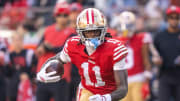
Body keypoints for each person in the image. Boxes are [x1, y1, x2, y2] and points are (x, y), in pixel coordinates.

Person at [37, 8, 128, 101]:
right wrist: (45, 68)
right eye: (88, 32)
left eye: (96, 31)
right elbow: (59, 59)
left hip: (111, 94)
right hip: (87, 90)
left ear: (103, 31)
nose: (92, 35)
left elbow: (123, 89)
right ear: (81, 32)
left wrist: (105, 98)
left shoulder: (115, 48)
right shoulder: (73, 45)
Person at [35, 1, 75, 101]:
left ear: (68, 16)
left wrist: (50, 48)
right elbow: (39, 47)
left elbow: (67, 51)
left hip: (60, 77)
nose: (62, 18)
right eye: (59, 15)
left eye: (65, 15)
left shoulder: (72, 33)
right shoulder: (48, 30)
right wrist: (41, 48)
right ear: (55, 16)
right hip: (44, 74)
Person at [114, 11, 152, 101]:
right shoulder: (114, 41)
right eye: (124, 26)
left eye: (128, 26)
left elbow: (146, 60)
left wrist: (146, 83)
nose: (126, 30)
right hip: (121, 82)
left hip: (137, 78)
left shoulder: (141, 38)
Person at [153, 5, 180, 101]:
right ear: (167, 18)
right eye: (171, 17)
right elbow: (153, 54)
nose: (174, 20)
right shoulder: (159, 36)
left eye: (177, 17)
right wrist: (155, 61)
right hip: (164, 75)